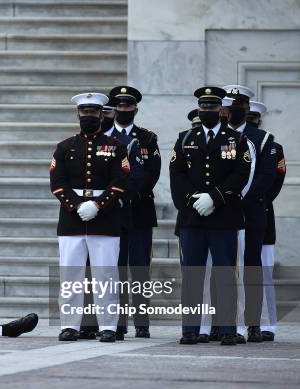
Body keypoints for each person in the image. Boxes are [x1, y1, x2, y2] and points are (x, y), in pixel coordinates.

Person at [169, 86, 251, 345]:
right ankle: (190, 329)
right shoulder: (185, 138)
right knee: (193, 275)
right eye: (203, 107)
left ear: (221, 110)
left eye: (212, 107)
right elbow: (177, 175)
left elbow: (240, 175)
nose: (207, 111)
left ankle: (227, 329)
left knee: (225, 274)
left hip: (223, 217)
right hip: (193, 219)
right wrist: (194, 200)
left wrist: (214, 198)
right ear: (199, 109)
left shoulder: (236, 140)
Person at [50, 92, 130, 342]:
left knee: (105, 275)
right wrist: (76, 205)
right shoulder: (65, 147)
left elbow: (120, 180)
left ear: (101, 114)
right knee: (70, 275)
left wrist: (98, 204)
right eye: (84, 112)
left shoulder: (116, 146)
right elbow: (57, 183)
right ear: (78, 115)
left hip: (104, 219)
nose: (88, 116)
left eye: (93, 112)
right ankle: (70, 325)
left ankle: (108, 326)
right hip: (72, 220)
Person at [221, 85, 277, 343]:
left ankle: (253, 323)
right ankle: (227, 324)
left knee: (251, 268)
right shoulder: (217, 136)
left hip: (251, 211)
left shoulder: (262, 138)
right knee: (225, 269)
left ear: (245, 109)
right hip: (221, 211)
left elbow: (267, 175)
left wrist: (243, 199)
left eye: (238, 108)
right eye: (229, 108)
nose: (233, 113)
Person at [107, 86, 161, 340]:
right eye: (120, 105)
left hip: (139, 209)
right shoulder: (104, 136)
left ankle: (142, 322)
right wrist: (114, 198)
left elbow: (151, 173)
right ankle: (117, 322)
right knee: (116, 268)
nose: (124, 109)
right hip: (113, 212)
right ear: (114, 108)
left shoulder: (147, 138)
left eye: (128, 106)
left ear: (135, 109)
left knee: (140, 268)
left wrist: (129, 196)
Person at [247, 100, 286, 341]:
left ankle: (268, 323)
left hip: (262, 214)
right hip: (233, 215)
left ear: (259, 120)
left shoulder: (273, 146)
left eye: (252, 118)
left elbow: (275, 182)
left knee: (264, 273)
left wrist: (257, 201)